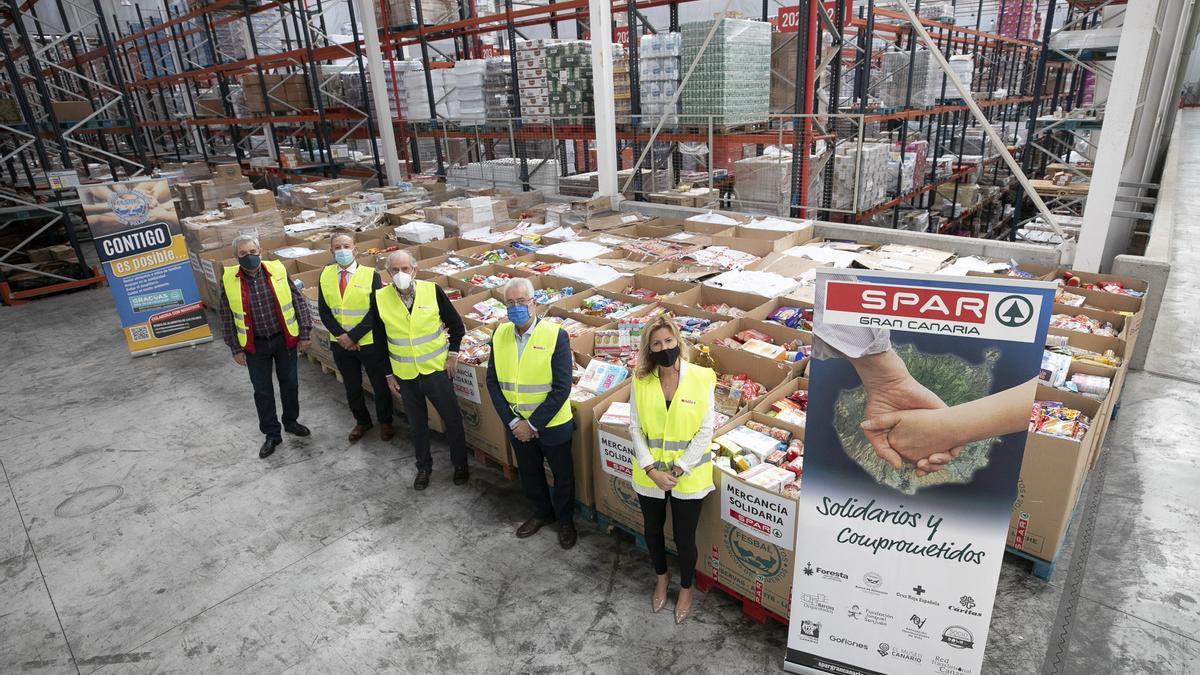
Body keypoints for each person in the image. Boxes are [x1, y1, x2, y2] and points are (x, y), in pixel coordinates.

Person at [628, 315, 716, 625]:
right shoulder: (640, 380)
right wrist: (651, 469)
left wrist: (678, 469)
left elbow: (706, 429)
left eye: (668, 341)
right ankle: (662, 579)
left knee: (684, 537)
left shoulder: (702, 377)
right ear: (648, 349)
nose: (664, 347)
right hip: (650, 475)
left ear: (678, 341)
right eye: (656, 343)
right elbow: (635, 427)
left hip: (688, 476)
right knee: (652, 531)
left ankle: (687, 588)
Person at [485, 277, 577, 550]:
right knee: (530, 472)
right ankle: (541, 513)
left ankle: (565, 521)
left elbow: (562, 388)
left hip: (552, 425)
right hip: (516, 424)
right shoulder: (499, 334)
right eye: (510, 303)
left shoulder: (555, 335)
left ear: (533, 303)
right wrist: (514, 422)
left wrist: (532, 424)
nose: (516, 307)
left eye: (521, 302)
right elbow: (492, 381)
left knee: (562, 476)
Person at [374, 250, 469, 490]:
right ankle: (423, 467)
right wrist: (387, 374)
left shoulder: (432, 291)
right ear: (388, 273)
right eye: (395, 270)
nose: (400, 274)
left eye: (405, 269)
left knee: (453, 421)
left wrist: (453, 355)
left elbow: (457, 326)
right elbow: (378, 341)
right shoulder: (378, 298)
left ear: (415, 270)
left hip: (436, 371)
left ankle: (460, 465)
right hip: (405, 375)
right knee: (417, 427)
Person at [219, 234, 313, 459]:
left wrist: (305, 333)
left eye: (252, 252)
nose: (249, 257)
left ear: (260, 251)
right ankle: (272, 433)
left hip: (284, 340)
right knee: (262, 390)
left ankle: (291, 421)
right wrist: (234, 347)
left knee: (290, 383)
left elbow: (297, 299)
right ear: (236, 257)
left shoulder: (277, 270)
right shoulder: (229, 278)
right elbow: (225, 315)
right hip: (255, 346)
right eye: (243, 254)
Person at [317, 232, 394, 443]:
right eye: (338, 247)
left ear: (355, 249)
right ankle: (362, 421)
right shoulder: (325, 274)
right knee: (352, 386)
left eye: (346, 246)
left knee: (379, 386)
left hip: (369, 342)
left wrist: (353, 336)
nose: (342, 250)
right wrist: (342, 337)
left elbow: (375, 311)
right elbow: (324, 311)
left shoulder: (371, 275)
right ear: (331, 251)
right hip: (340, 344)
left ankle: (385, 421)